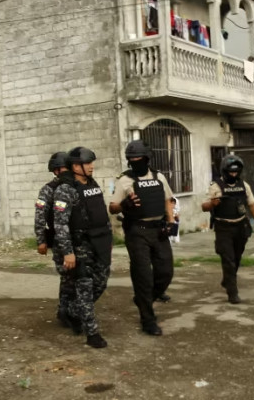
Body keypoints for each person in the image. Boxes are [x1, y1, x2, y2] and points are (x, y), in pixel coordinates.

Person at [109, 140, 176, 336]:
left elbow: (168, 200)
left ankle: (144, 298)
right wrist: (124, 204)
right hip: (137, 232)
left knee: (166, 272)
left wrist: (171, 221)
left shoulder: (159, 177)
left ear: (147, 159)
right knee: (143, 277)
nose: (135, 163)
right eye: (132, 160)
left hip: (159, 230)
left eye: (139, 159)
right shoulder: (124, 180)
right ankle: (148, 320)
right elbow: (112, 208)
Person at [53, 147, 113, 348]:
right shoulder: (65, 189)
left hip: (99, 243)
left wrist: (108, 240)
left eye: (91, 162)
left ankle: (71, 310)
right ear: (75, 166)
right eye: (87, 163)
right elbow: (60, 224)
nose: (91, 166)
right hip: (80, 246)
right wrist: (68, 252)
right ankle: (92, 333)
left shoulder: (92, 184)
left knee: (101, 283)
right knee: (85, 288)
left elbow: (101, 214)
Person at [201, 155, 254, 304]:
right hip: (223, 227)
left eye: (236, 172)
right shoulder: (216, 186)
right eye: (231, 172)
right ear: (225, 171)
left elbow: (252, 205)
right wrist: (212, 204)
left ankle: (227, 280)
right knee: (228, 259)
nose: (234, 174)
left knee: (236, 258)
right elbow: (204, 206)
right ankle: (232, 293)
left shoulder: (244, 185)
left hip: (241, 226)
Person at [34, 152, 80, 331]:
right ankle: (65, 311)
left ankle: (71, 310)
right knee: (67, 277)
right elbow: (40, 216)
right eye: (63, 168)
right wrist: (41, 241)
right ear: (55, 171)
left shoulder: (75, 186)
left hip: (77, 239)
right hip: (59, 240)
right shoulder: (48, 189)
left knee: (77, 277)